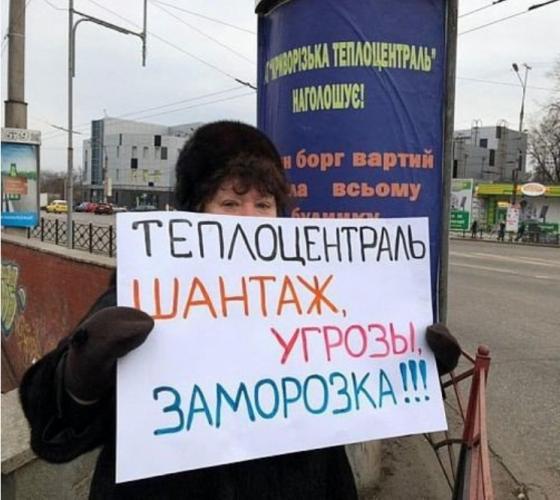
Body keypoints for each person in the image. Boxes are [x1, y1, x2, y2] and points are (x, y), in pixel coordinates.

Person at [19, 121, 461, 499]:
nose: (249, 220)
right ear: (194, 212)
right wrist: (81, 373)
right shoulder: (148, 290)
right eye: (230, 203)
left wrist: (412, 364)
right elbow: (54, 428)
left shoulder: (317, 293)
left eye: (263, 204)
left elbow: (356, 387)